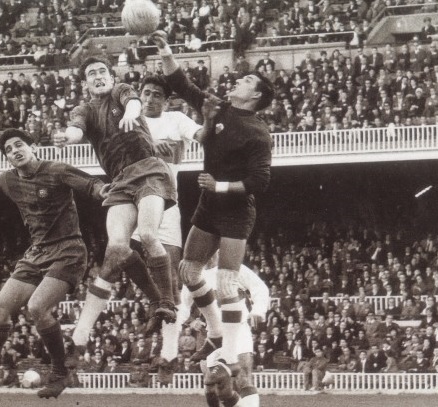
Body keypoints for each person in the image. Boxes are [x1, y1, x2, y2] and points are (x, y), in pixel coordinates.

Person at [0, 129, 108, 398]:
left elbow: (91, 184)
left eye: (19, 145)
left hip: (68, 250)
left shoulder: (56, 169)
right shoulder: (8, 179)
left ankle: (60, 373)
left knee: (37, 307)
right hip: (37, 253)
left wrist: (104, 190)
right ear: (8, 159)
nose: (15, 150)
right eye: (9, 150)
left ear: (31, 147)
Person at [151, 30, 274, 387]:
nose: (240, 79)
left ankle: (232, 354)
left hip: (236, 212)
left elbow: (260, 182)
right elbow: (182, 84)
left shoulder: (258, 132)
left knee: (226, 284)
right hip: (209, 208)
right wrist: (165, 49)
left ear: (256, 95)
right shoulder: (217, 108)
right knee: (189, 273)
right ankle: (220, 336)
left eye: (248, 79)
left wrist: (219, 185)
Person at [54, 56, 178, 350]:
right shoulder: (84, 109)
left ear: (111, 76)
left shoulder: (121, 91)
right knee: (118, 248)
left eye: (102, 71)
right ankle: (156, 299)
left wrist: (130, 113)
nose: (98, 76)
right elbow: (77, 129)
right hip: (121, 181)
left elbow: (133, 103)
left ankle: (168, 302)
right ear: (85, 84)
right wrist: (66, 138)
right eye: (91, 74)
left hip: (147, 169)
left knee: (148, 235)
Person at [129, 74, 210, 376]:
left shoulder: (176, 119)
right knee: (120, 257)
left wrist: (207, 116)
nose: (150, 99)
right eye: (146, 93)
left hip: (166, 205)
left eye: (157, 95)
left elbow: (201, 137)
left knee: (172, 284)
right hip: (133, 202)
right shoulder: (130, 120)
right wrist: (159, 148)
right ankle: (155, 303)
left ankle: (168, 353)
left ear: (166, 100)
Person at [195, 253, 270, 407]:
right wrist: (190, 321)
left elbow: (260, 287)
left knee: (242, 376)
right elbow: (186, 301)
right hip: (215, 334)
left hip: (238, 328)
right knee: (214, 386)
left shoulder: (233, 268)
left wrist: (258, 310)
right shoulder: (197, 274)